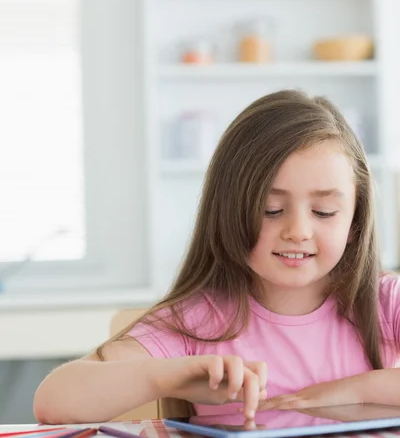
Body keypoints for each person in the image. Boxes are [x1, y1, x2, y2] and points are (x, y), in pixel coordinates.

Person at [33, 89, 400, 425]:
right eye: (271, 210)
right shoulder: (199, 321)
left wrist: (346, 394)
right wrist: (171, 375)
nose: (298, 230)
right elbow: (54, 402)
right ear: (227, 210)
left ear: (355, 219)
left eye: (323, 212)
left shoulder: (384, 302)